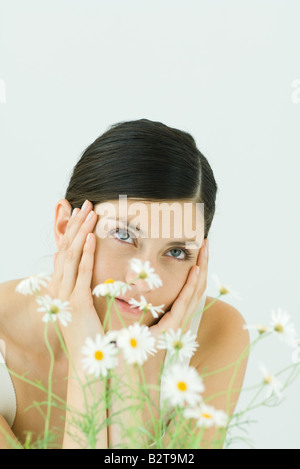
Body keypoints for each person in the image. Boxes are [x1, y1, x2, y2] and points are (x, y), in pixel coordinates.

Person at [0, 119, 249, 449]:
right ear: (65, 227)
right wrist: (88, 364)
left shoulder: (216, 335)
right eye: (123, 235)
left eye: (176, 251)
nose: (144, 278)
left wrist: (135, 376)